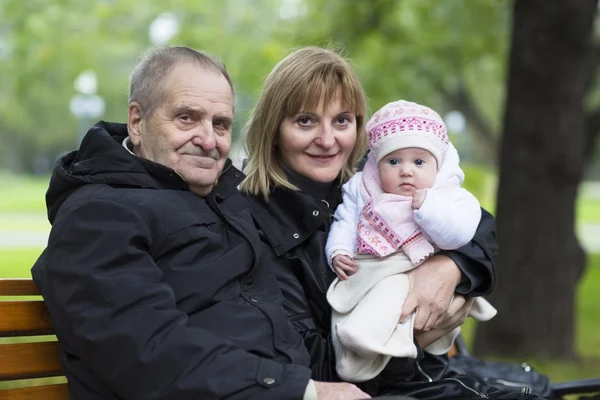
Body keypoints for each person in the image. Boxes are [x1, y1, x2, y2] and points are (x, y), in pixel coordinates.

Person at [30, 46, 373, 400]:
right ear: (136, 122)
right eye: (187, 118)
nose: (208, 140)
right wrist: (305, 392)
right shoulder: (98, 216)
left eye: (221, 124)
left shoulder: (225, 201)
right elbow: (150, 353)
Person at [242, 46, 542, 399]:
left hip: (430, 374)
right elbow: (310, 368)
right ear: (273, 128)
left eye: (342, 121)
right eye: (305, 121)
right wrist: (410, 332)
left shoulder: (370, 178)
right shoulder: (256, 222)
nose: (327, 140)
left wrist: (451, 268)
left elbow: (479, 225)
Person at [325, 99, 497, 382]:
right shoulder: (365, 189)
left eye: (419, 162)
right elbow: (345, 220)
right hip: (375, 267)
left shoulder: (444, 195)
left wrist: (430, 215)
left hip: (423, 267)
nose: (406, 171)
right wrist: (338, 249)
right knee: (384, 293)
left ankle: (376, 339)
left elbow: (466, 232)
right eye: (393, 162)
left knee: (397, 293)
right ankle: (368, 340)